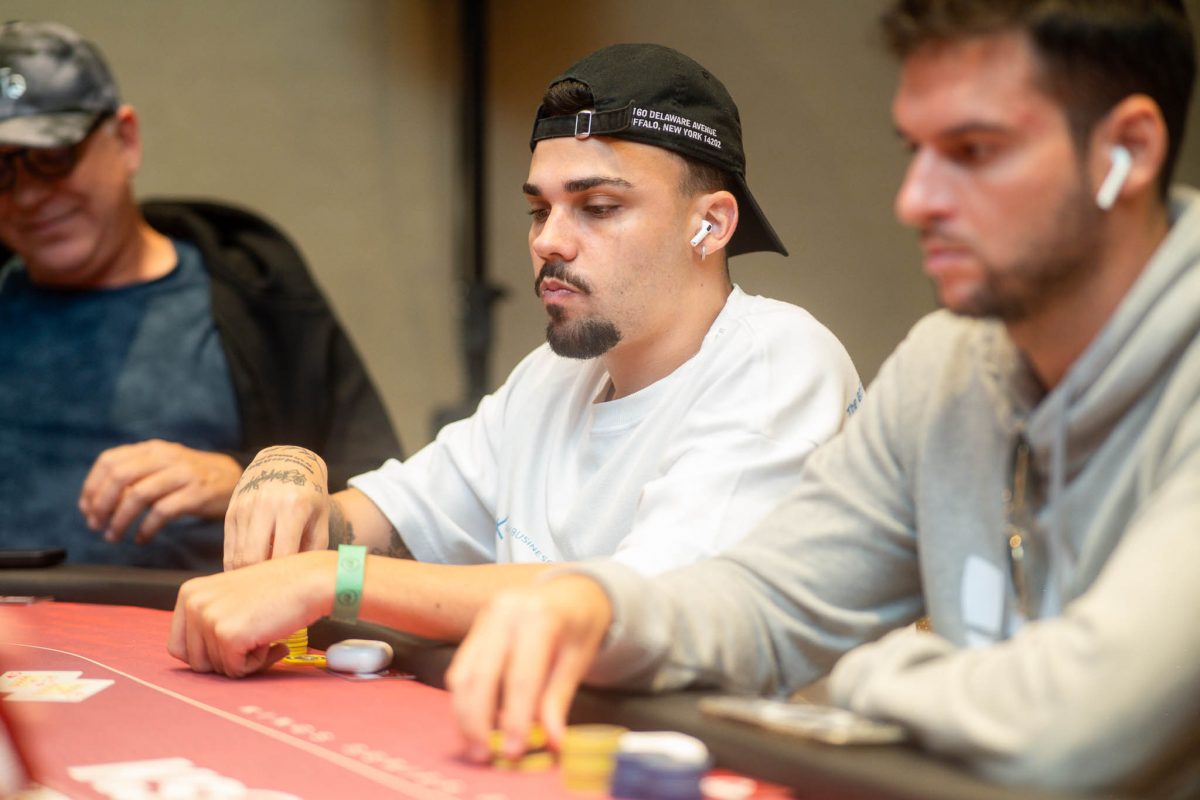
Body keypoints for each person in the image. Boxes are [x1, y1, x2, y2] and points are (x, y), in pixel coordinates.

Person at [446, 1, 1200, 794]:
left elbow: (1072, 732)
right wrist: (595, 607)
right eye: (916, 151)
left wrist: (869, 674)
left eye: (974, 151)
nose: (915, 200)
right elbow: (770, 601)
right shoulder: (947, 363)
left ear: (1127, 150)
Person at [167, 44, 862, 676]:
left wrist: (332, 580)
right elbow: (387, 525)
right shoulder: (556, 375)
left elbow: (643, 609)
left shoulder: (777, 363)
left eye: (597, 206)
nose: (548, 241)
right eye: (539, 210)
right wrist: (292, 472)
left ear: (709, 224)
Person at [0, 21, 401, 570]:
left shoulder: (256, 299)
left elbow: (395, 513)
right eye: (1, 170)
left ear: (125, 140)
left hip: (198, 619)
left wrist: (243, 479)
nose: (28, 196)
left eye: (53, 157)